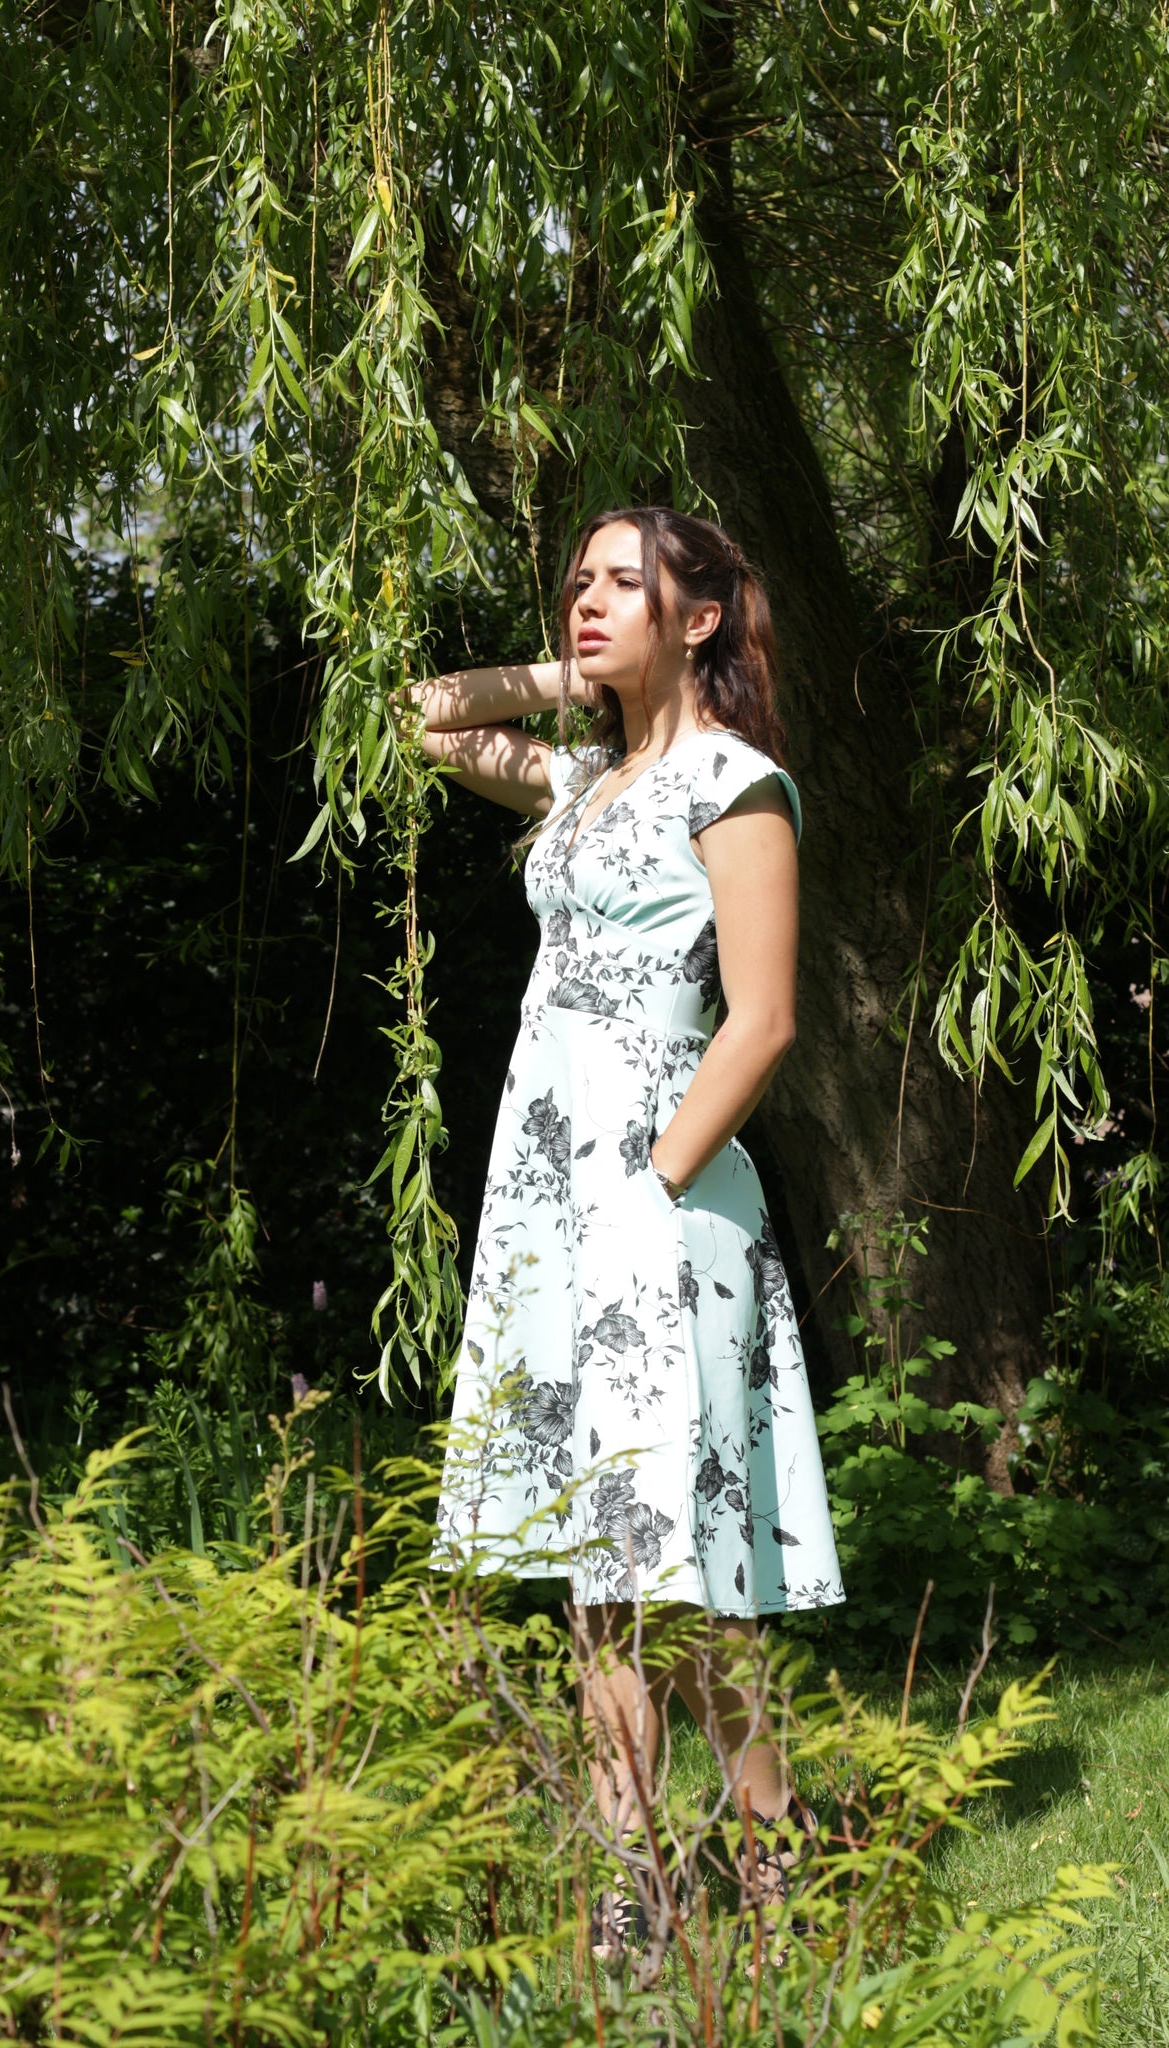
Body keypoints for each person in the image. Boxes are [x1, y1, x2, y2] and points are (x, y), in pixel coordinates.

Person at [412, 507, 844, 1963]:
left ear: (701, 616)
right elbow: (426, 718)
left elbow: (765, 1019)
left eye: (619, 586)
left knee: (697, 1582)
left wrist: (650, 1187)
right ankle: (632, 1883)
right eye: (574, 585)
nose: (584, 605)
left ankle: (777, 1873)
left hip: (662, 1207)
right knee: (605, 1572)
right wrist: (574, 678)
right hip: (554, 1211)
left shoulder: (738, 787)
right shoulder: (585, 786)